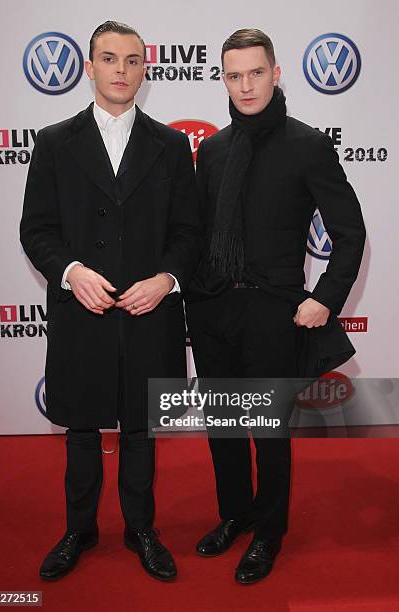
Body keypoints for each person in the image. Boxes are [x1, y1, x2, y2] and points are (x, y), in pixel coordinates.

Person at [20, 20, 200, 582]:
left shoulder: (171, 145)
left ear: (145, 70)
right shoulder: (53, 141)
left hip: (150, 313)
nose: (120, 70)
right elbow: (37, 230)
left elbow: (189, 232)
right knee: (80, 428)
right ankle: (78, 529)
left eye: (131, 60)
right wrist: (71, 272)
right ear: (90, 66)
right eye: (109, 58)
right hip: (84, 312)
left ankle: (141, 529)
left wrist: (167, 279)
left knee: (142, 429)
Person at [185, 28, 365, 584]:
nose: (245, 85)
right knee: (223, 425)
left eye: (256, 72)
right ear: (224, 78)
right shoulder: (212, 149)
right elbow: (197, 233)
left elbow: (350, 233)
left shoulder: (307, 144)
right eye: (234, 75)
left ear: (276, 73)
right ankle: (235, 514)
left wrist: (325, 299)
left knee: (267, 430)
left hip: (273, 312)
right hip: (213, 311)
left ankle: (269, 530)